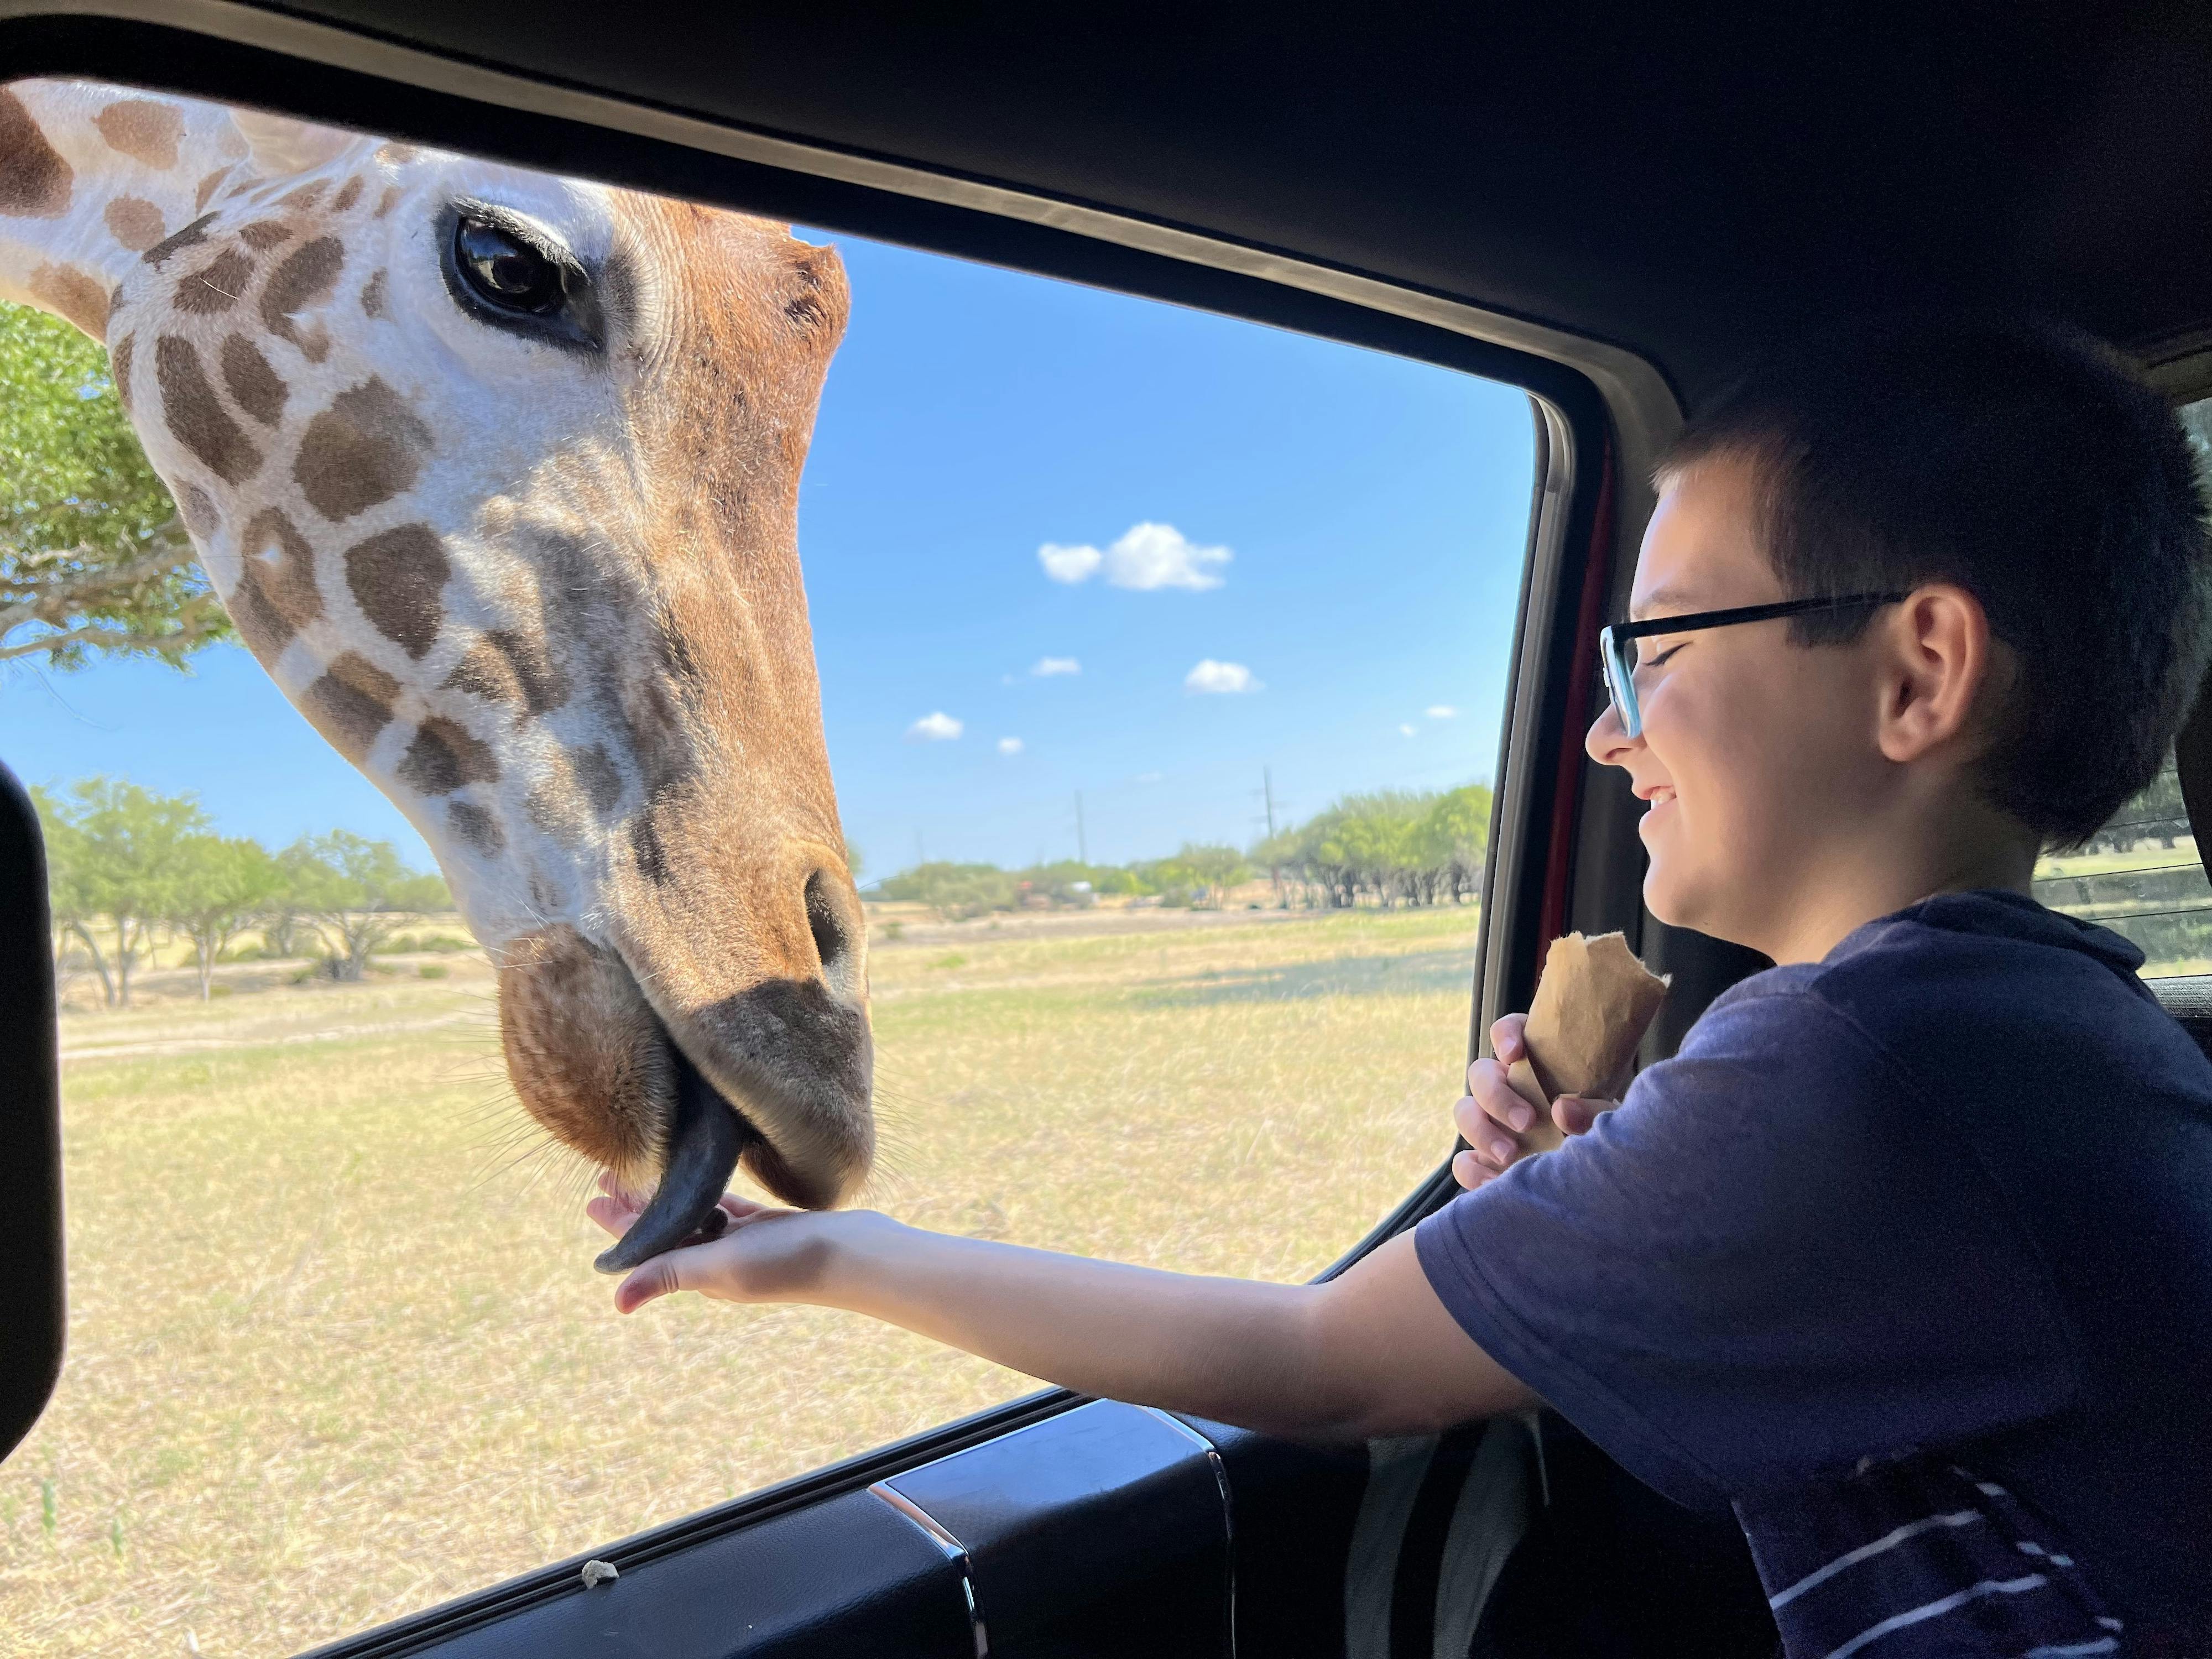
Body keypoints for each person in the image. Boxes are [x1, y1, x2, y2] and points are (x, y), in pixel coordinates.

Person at [588, 315, 2212, 1657]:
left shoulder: (1861, 1068)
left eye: (1658, 651)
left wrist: (842, 1258)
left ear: (1919, 671)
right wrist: (1605, 1192)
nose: (1606, 731)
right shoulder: (2041, 1031)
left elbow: (1322, 1366)